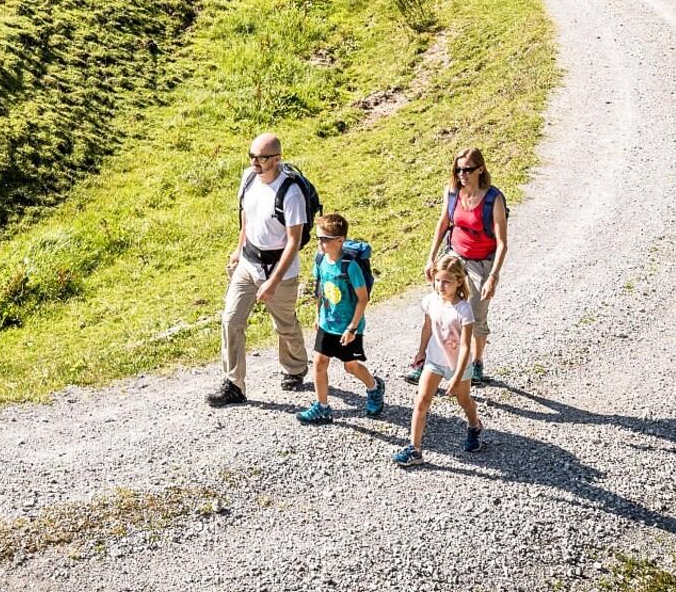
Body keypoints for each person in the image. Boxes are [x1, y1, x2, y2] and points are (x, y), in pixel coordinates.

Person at [207, 131, 309, 406]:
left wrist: (273, 282)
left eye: (262, 158)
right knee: (231, 320)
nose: (255, 162)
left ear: (277, 159)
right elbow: (246, 215)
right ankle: (234, 385)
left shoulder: (291, 193)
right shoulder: (249, 178)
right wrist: (239, 248)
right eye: (252, 156)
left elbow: (294, 241)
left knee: (284, 325)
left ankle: (295, 367)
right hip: (248, 264)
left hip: (280, 271)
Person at [410, 145, 508, 385]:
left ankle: (476, 362)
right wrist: (431, 257)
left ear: (480, 169)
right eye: (458, 170)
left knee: (475, 315)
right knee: (437, 307)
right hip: (455, 255)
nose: (462, 174)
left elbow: (502, 243)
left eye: (467, 170)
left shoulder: (493, 199)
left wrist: (493, 276)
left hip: (481, 262)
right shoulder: (453, 192)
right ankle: (424, 360)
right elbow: (443, 223)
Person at [393, 254, 484, 466]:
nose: (440, 286)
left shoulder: (464, 310)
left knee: (464, 401)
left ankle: (474, 426)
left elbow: (465, 345)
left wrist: (457, 376)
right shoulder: (430, 301)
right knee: (422, 400)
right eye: (437, 280)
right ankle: (415, 449)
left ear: (459, 281)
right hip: (434, 360)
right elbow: (427, 328)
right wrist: (421, 352)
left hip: (458, 366)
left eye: (446, 282)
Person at [295, 212, 386, 424]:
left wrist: (352, 328)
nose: (320, 243)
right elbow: (320, 290)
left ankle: (374, 387)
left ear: (340, 240)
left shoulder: (350, 266)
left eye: (325, 239)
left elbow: (363, 299)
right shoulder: (320, 260)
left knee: (350, 366)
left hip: (348, 327)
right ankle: (322, 407)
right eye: (318, 238)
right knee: (319, 363)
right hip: (327, 323)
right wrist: (318, 315)